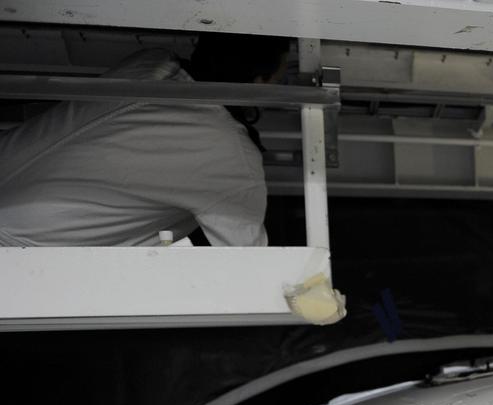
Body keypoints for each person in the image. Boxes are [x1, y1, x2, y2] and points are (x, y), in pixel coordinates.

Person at [0, 34, 290, 247]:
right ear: (258, 83)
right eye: (277, 80)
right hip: (24, 244)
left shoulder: (150, 61)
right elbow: (247, 260)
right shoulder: (231, 156)